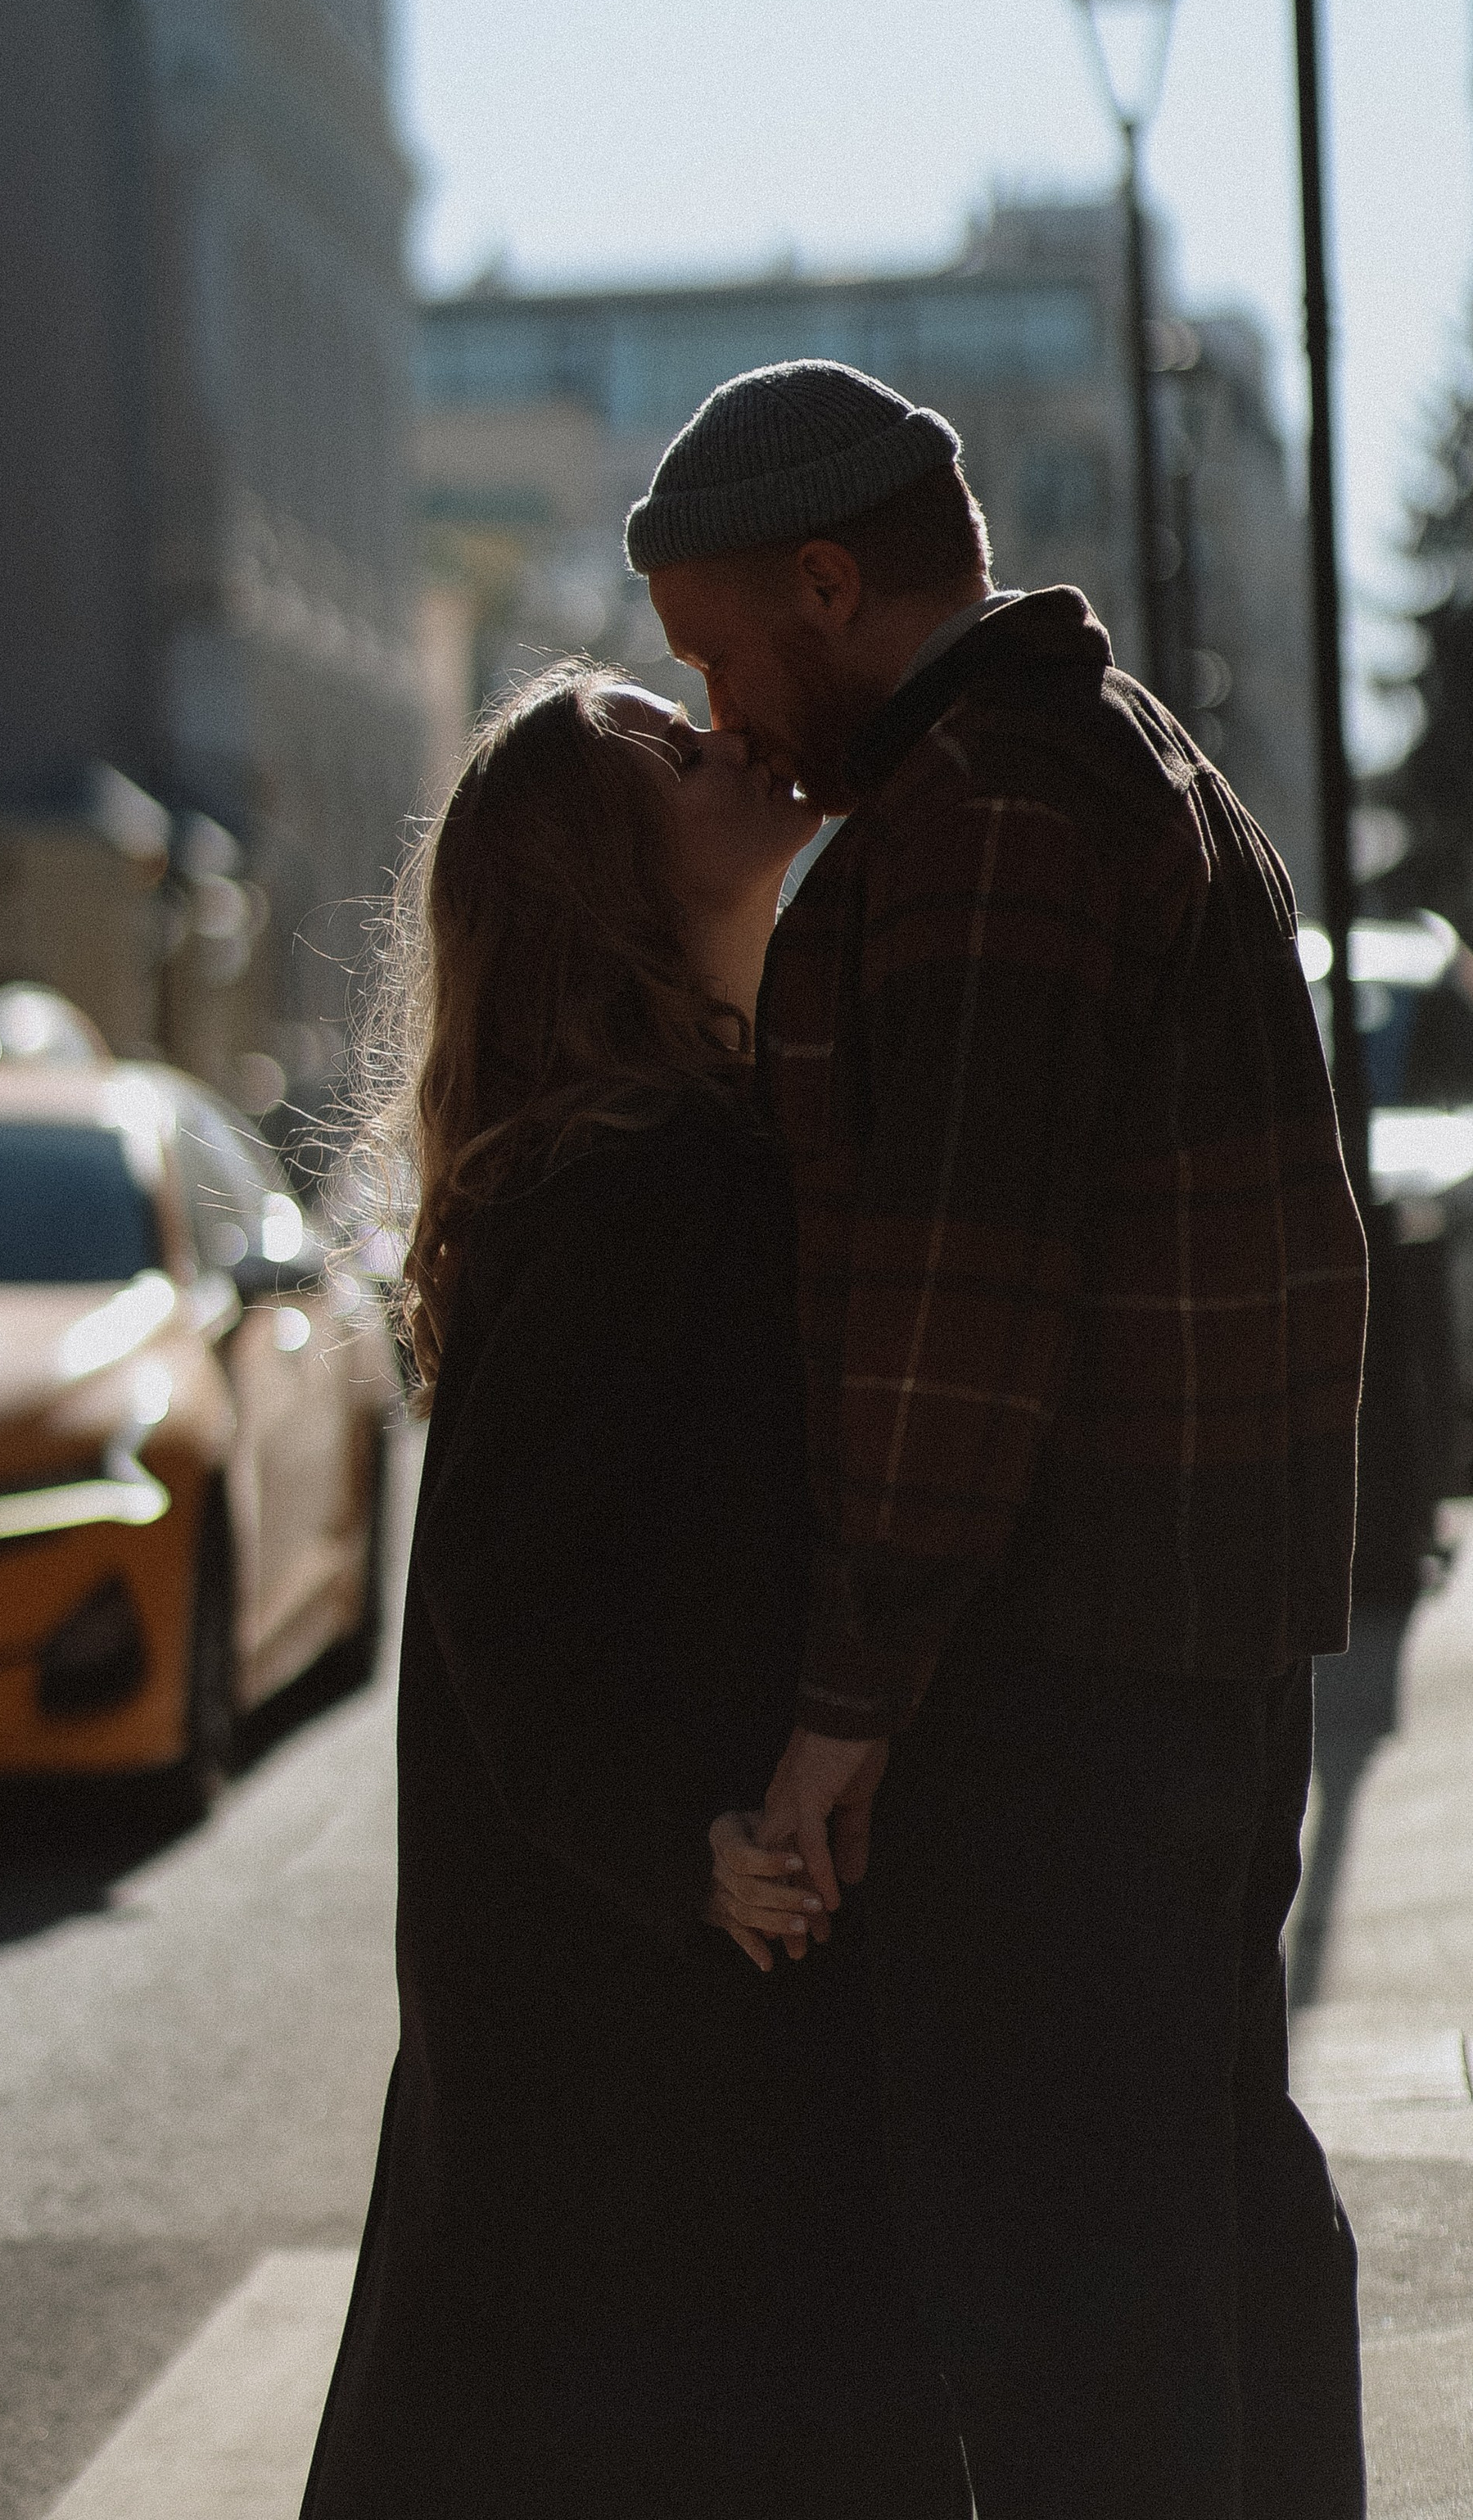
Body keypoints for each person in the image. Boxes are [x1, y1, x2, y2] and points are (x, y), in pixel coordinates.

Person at [630, 359, 1369, 2520]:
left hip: (1058, 1687)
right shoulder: (1108, 760)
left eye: (720, 654)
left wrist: (844, 1714)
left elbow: (957, 1317)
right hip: (1193, 1660)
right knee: (1210, 2210)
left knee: (1072, 2299)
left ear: (830, 585)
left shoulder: (980, 825)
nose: (727, 715)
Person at [301, 666, 972, 2520]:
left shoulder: (694, 1130)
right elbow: (503, 1614)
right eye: (672, 754)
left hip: (635, 1993)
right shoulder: (650, 1174)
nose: (729, 735)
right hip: (638, 2014)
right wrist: (690, 1849)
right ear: (600, 878)